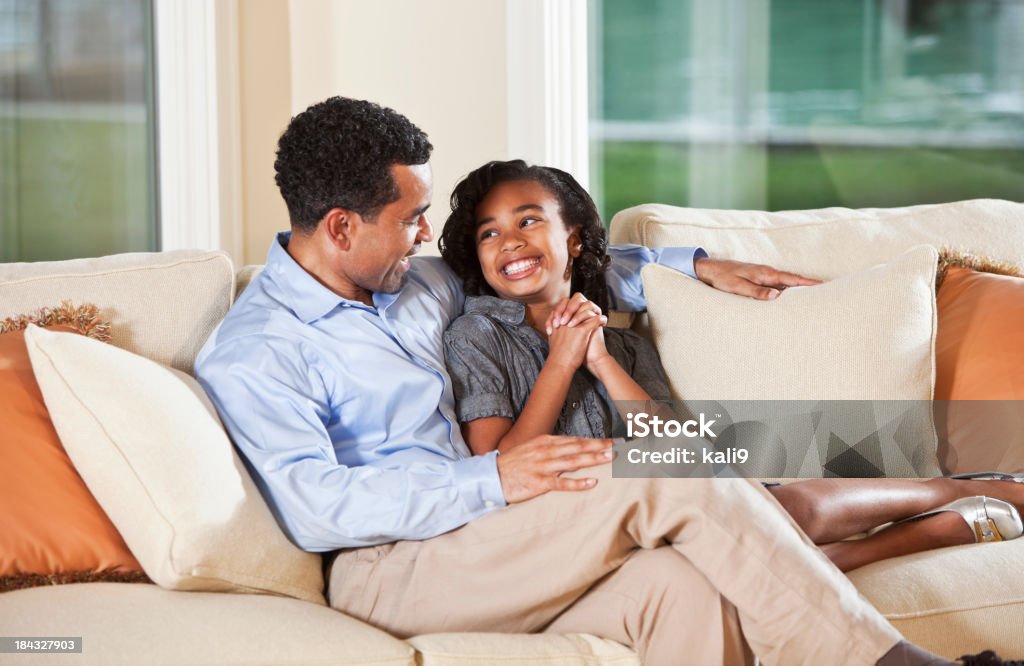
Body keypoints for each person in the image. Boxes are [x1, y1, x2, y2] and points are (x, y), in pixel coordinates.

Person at [194, 96, 1010, 666]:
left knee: (682, 588)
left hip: (497, 540)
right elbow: (312, 505)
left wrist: (691, 263)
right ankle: (888, 663)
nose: (421, 235)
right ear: (340, 226)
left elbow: (542, 268)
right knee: (671, 473)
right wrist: (490, 477)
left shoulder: (412, 285)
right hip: (394, 569)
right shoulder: (256, 351)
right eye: (410, 218)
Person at [438, 158, 1024, 575]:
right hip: (562, 519)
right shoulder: (477, 336)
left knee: (788, 504)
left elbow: (678, 449)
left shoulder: (623, 346)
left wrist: (598, 359)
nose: (508, 241)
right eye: (489, 233)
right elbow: (501, 465)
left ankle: (951, 507)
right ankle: (947, 504)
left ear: (575, 237)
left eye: (528, 220)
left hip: (653, 495)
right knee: (773, 512)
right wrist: (561, 364)